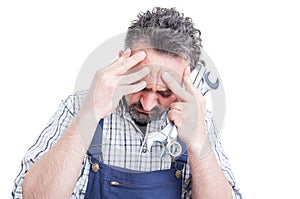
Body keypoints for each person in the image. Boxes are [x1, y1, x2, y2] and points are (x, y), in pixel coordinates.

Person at [12, 7, 241, 199]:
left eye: (164, 91)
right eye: (140, 84)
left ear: (187, 80)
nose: (148, 103)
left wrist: (198, 140)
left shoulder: (196, 120)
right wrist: (89, 115)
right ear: (122, 61)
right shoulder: (79, 107)